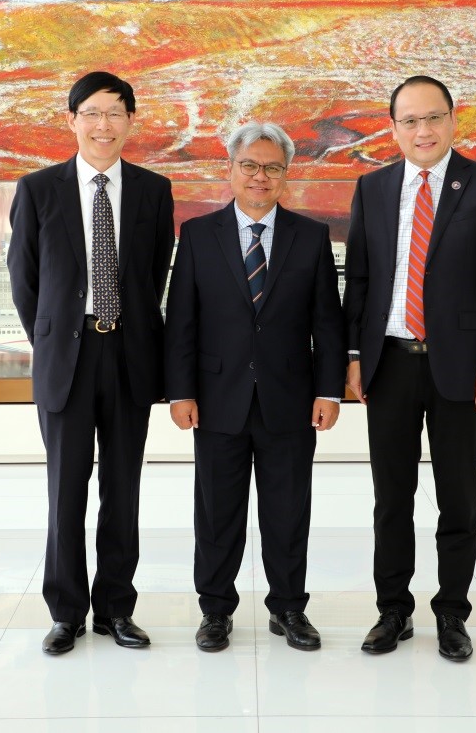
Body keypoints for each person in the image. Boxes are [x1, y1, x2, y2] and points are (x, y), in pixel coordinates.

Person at [344, 75, 476, 662]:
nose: (423, 130)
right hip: (388, 363)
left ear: (452, 120)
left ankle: (452, 613)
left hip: (459, 369)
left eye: (433, 117)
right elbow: (359, 280)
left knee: (457, 498)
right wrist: (354, 358)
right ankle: (393, 610)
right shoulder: (372, 188)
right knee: (391, 498)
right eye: (410, 120)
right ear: (393, 129)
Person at [6, 71, 175, 655]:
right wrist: (54, 339)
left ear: (131, 120)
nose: (104, 125)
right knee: (66, 490)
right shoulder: (38, 189)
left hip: (129, 354)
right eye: (93, 113)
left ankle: (116, 609)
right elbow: (24, 279)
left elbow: (154, 275)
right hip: (67, 359)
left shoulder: (154, 190)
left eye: (115, 113)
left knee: (122, 490)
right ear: (72, 120)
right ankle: (65, 613)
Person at [164, 121, 346, 653]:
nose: (259, 176)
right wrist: (180, 391)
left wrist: (329, 391)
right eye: (249, 165)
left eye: (272, 167)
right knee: (217, 513)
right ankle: (215, 611)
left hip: (290, 399)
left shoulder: (311, 236)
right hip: (216, 398)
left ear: (286, 175)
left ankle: (288, 608)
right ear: (231, 170)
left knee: (287, 511)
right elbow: (182, 320)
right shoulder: (198, 234)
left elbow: (327, 322)